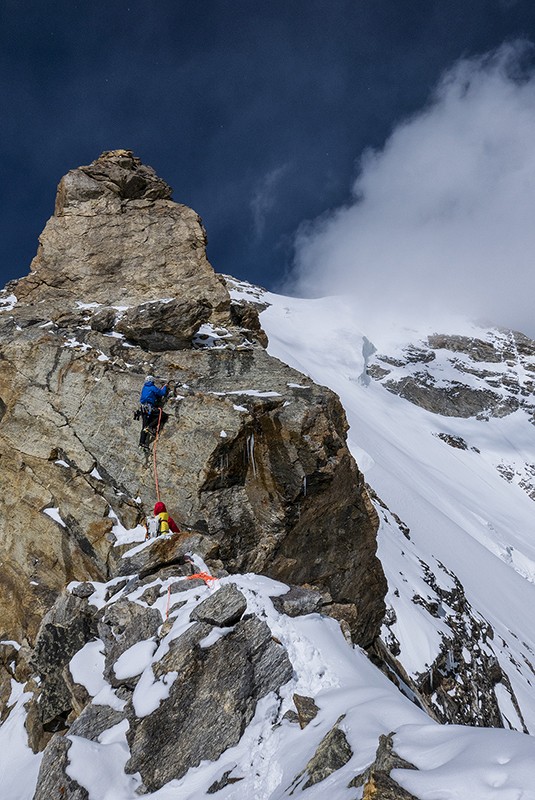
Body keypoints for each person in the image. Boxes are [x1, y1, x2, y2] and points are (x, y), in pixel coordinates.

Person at [139, 375, 168, 449]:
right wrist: (165, 387)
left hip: (143, 409)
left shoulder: (144, 387)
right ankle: (150, 427)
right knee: (163, 416)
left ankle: (141, 443)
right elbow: (162, 393)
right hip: (149, 408)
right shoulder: (152, 387)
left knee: (144, 426)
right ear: (152, 381)